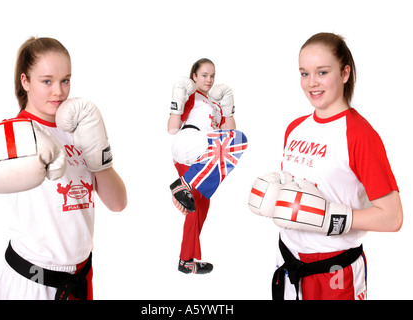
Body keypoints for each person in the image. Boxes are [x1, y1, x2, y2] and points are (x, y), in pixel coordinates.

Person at [248, 32, 403, 300]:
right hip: (288, 261)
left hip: (334, 272)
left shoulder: (360, 135)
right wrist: (274, 195)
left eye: (322, 72)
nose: (311, 83)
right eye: (304, 73)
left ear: (345, 73)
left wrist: (331, 218)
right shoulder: (295, 129)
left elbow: (393, 218)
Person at [0, 37, 127, 299]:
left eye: (65, 80)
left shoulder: (81, 128)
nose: (58, 91)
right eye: (47, 81)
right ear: (26, 82)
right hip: (31, 283)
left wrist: (99, 157)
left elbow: (118, 203)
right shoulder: (15, 135)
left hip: (80, 279)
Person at [168, 58, 247, 274]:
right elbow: (172, 128)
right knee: (238, 141)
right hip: (189, 145)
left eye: (212, 75)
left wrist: (227, 108)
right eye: (204, 75)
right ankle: (181, 184)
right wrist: (177, 101)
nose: (209, 80)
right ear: (194, 76)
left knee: (199, 206)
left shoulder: (216, 104)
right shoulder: (191, 95)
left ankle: (186, 261)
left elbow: (230, 133)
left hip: (203, 154)